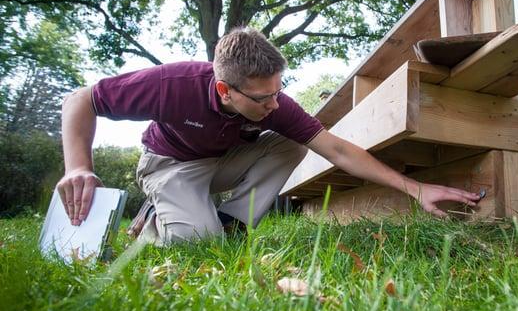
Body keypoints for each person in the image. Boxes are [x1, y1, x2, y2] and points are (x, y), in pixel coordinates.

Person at [56, 27, 481, 245]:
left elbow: (335, 148)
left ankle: (233, 224)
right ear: (225, 90)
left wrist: (415, 187)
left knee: (293, 141)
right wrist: (78, 167)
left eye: (278, 90)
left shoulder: (274, 101)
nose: (275, 105)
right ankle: (160, 214)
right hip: (171, 164)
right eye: (262, 99)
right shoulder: (172, 83)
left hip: (223, 161)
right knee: (197, 244)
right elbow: (80, 100)